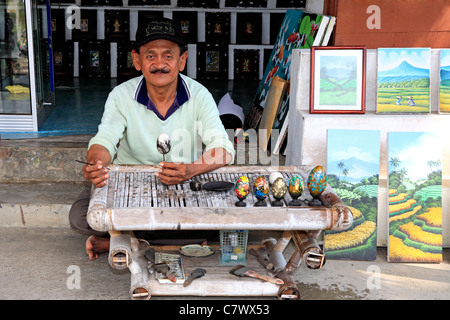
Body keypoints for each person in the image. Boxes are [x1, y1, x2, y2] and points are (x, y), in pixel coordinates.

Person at [69, 17, 235, 260]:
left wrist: (189, 170)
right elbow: (105, 139)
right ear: (137, 60)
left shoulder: (199, 95)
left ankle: (122, 238)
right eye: (150, 56)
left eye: (168, 56)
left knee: (227, 215)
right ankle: (169, 237)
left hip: (181, 186)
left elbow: (223, 149)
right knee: (80, 216)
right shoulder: (121, 96)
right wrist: (97, 163)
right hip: (130, 186)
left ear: (182, 60)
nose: (160, 64)